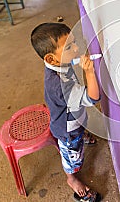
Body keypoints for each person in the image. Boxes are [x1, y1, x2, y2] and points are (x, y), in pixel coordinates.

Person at [30, 23, 102, 202]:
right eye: (69, 47)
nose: (77, 49)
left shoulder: (60, 63)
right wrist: (90, 73)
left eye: (74, 42)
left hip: (74, 117)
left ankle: (83, 135)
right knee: (73, 159)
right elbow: (93, 98)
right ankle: (72, 180)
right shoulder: (59, 86)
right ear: (52, 59)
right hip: (68, 131)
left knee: (80, 127)